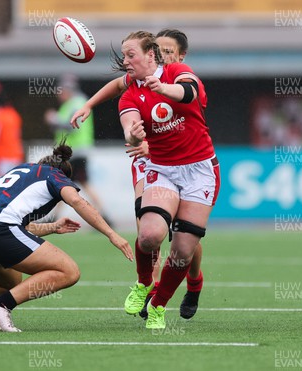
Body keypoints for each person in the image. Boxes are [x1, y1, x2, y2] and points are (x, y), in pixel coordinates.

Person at [0, 141, 133, 332]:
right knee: (69, 271)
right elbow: (78, 202)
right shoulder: (55, 174)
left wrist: (52, 226)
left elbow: (15, 222)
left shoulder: (21, 171)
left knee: (10, 280)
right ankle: (1, 305)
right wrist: (112, 234)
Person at [71, 29, 206, 322]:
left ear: (175, 56)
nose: (165, 55)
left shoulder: (178, 73)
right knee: (150, 234)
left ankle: (193, 283)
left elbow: (188, 93)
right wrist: (133, 138)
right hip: (153, 164)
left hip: (195, 166)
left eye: (169, 52)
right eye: (161, 50)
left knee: (185, 243)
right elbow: (121, 103)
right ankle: (149, 287)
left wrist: (163, 88)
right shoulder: (133, 85)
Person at [44, 74, 106, 217]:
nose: (59, 95)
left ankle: (101, 214)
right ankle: (102, 214)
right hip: (74, 152)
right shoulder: (73, 103)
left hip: (75, 151)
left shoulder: (77, 103)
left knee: (64, 184)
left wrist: (53, 119)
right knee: (69, 184)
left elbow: (70, 126)